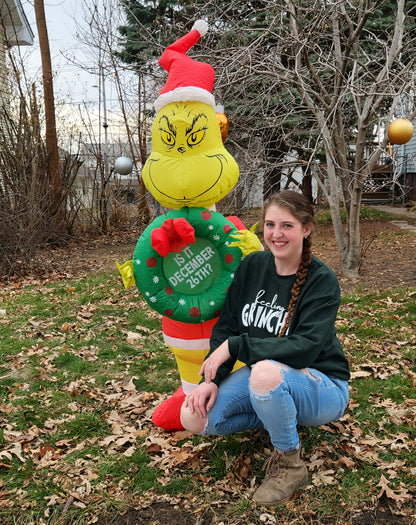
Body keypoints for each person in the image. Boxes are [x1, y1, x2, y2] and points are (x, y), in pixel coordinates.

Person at [180, 190, 350, 506]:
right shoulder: (252, 267)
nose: (276, 234)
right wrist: (210, 382)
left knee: (264, 371)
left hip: (323, 385)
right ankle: (274, 412)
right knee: (193, 417)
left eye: (287, 225)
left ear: (307, 228)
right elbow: (227, 327)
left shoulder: (322, 280)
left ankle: (290, 464)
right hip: (270, 379)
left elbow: (305, 349)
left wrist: (237, 346)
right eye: (270, 224)